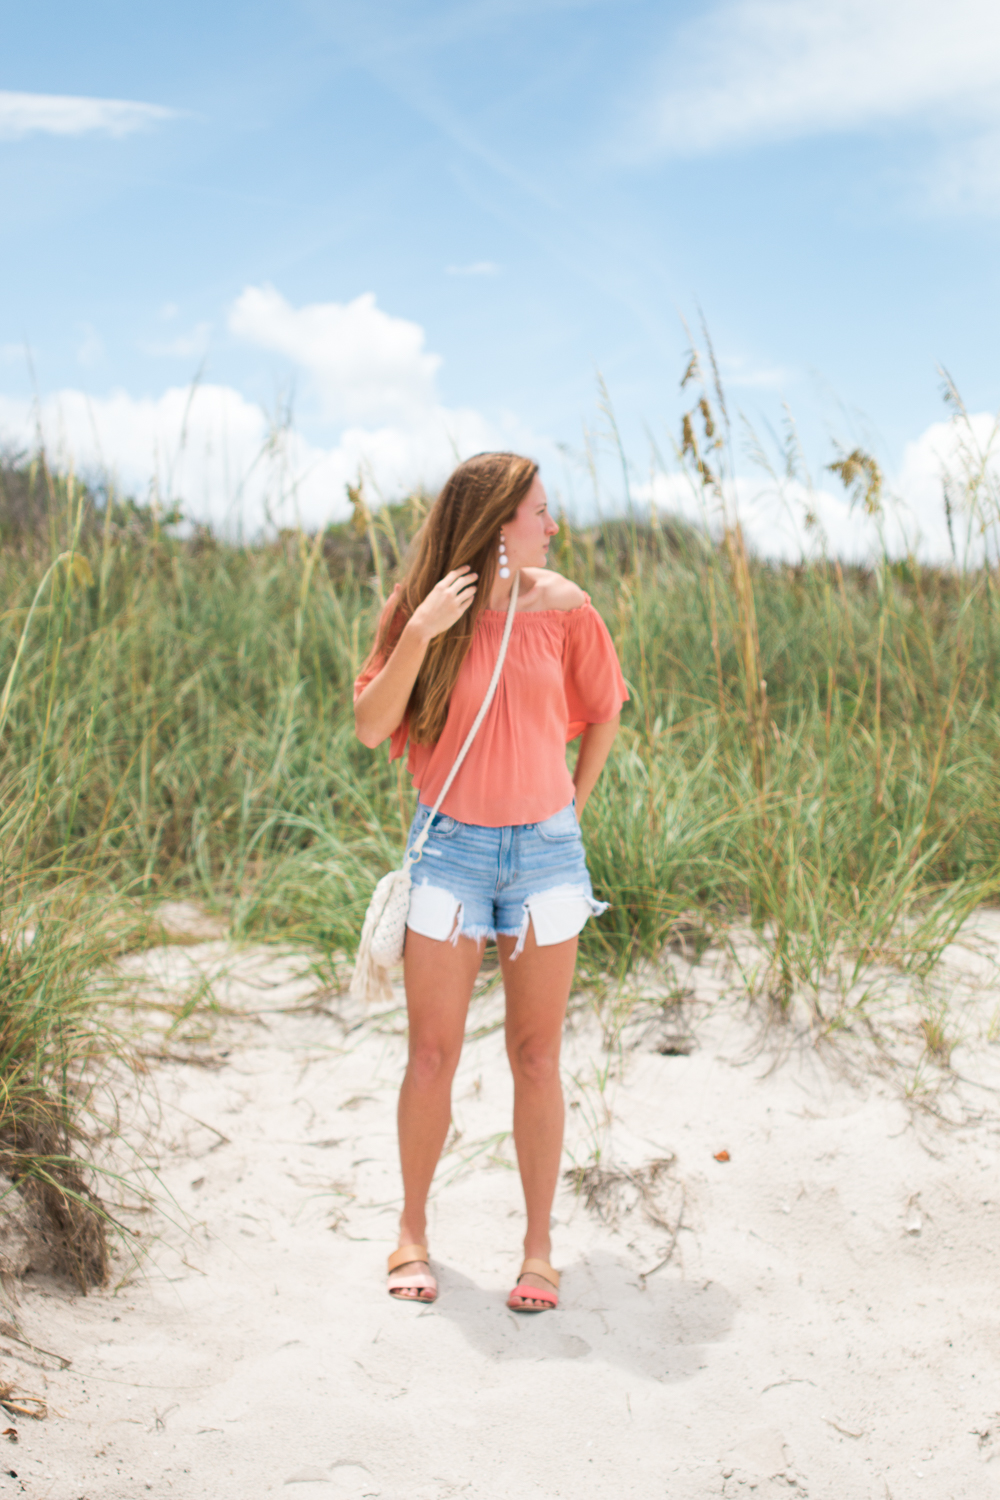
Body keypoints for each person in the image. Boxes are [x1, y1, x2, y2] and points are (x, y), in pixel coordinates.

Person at [353, 452, 627, 1312]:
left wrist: (569, 810)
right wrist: (422, 632)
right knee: (431, 1054)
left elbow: (607, 705)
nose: (551, 526)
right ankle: (411, 1232)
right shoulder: (423, 607)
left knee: (536, 1056)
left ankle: (538, 1251)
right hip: (452, 855)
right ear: (497, 521)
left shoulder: (567, 607)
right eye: (540, 511)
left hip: (546, 857)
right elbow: (370, 726)